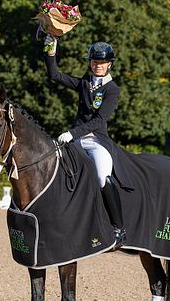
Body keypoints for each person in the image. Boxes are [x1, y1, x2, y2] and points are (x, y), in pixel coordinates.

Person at [43, 36, 126, 250]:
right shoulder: (84, 83)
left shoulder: (112, 89)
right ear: (91, 63)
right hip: (76, 140)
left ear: (109, 64)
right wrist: (51, 46)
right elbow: (54, 74)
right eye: (95, 62)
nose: (98, 66)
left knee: (101, 176)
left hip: (96, 141)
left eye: (102, 62)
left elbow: (100, 120)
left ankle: (118, 229)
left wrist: (72, 133)